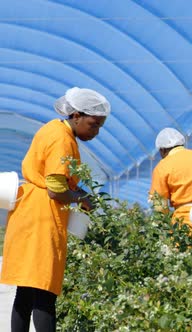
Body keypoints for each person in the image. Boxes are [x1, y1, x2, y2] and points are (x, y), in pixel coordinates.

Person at [1, 87, 111, 331]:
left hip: (30, 211)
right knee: (44, 291)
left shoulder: (55, 130)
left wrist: (77, 193)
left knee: (27, 288)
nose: (96, 132)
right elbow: (55, 189)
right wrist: (81, 198)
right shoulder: (61, 139)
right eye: (94, 124)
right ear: (76, 116)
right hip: (42, 214)